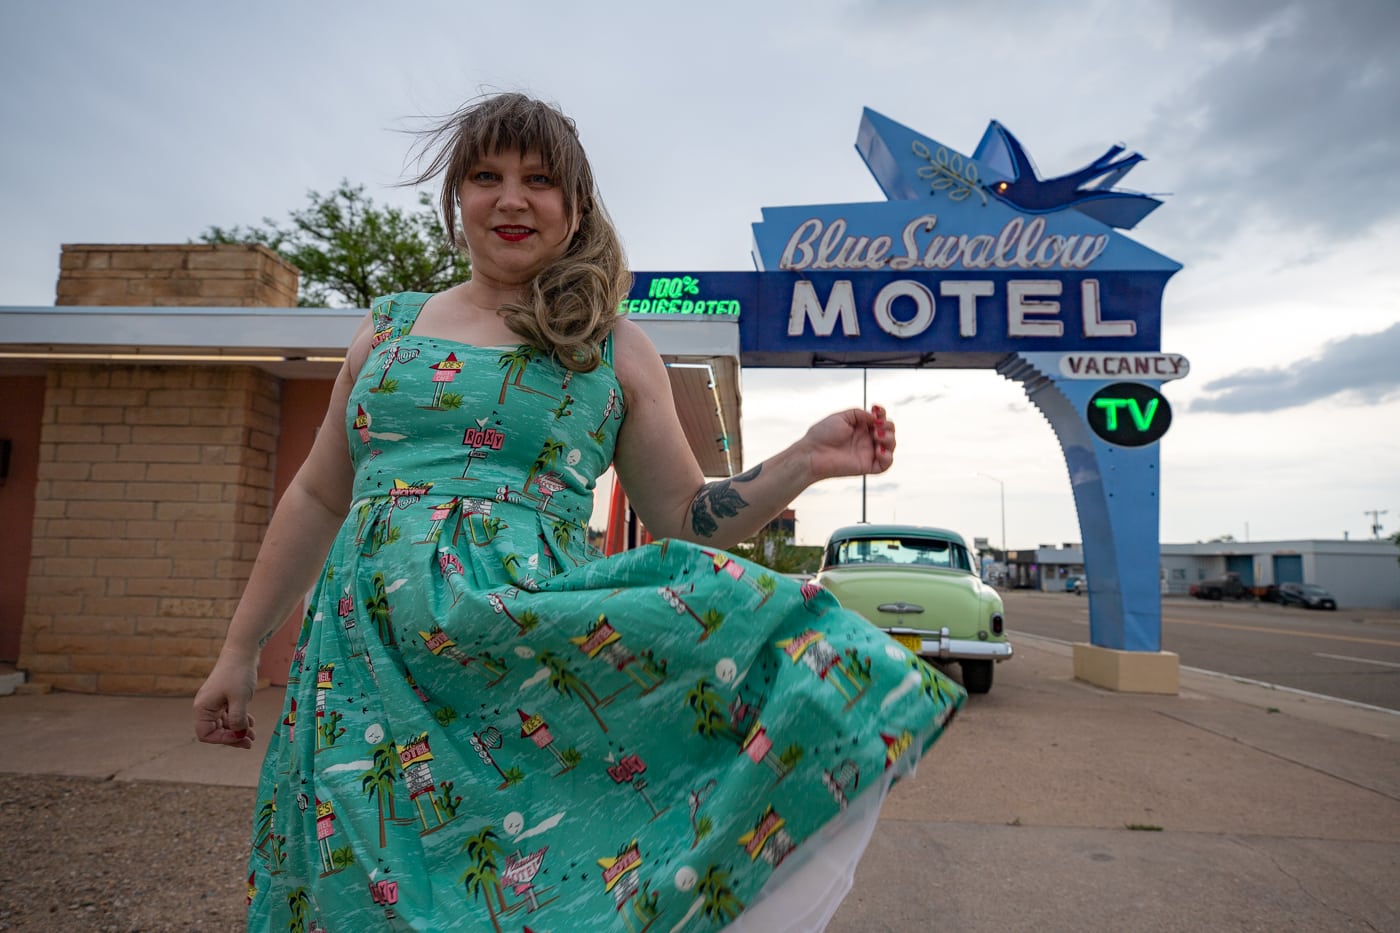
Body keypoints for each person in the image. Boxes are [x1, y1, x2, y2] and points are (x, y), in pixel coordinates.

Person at [194, 91, 964, 932]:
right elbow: (316, 495)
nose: (511, 198)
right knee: (355, 896)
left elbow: (682, 513)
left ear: (577, 206)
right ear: (458, 198)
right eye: (485, 176)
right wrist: (239, 648)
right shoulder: (388, 331)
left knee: (533, 894)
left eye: (539, 179)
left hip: (516, 659)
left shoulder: (612, 343)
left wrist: (804, 461)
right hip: (362, 669)